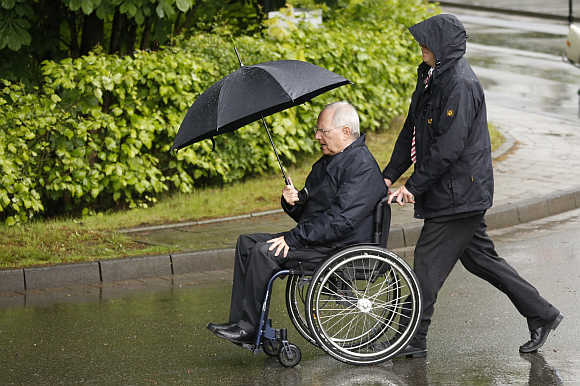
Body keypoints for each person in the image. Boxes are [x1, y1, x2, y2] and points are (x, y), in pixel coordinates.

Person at [383, 14, 563, 358]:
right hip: (453, 193)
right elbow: (413, 131)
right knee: (481, 260)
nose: (421, 47)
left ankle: (412, 341)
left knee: (426, 268)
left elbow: (448, 147)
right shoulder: (432, 76)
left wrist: (414, 186)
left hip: (459, 196)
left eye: (426, 42)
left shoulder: (461, 85)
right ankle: (543, 314)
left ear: (443, 46)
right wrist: (389, 174)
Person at [207, 101, 387, 344]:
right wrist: (294, 202)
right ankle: (241, 321)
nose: (317, 136)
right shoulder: (330, 162)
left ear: (345, 131)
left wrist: (293, 238)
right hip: (322, 239)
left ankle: (250, 329)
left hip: (341, 248)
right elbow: (312, 213)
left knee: (264, 252)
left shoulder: (361, 166)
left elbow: (340, 220)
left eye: (323, 131)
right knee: (247, 243)